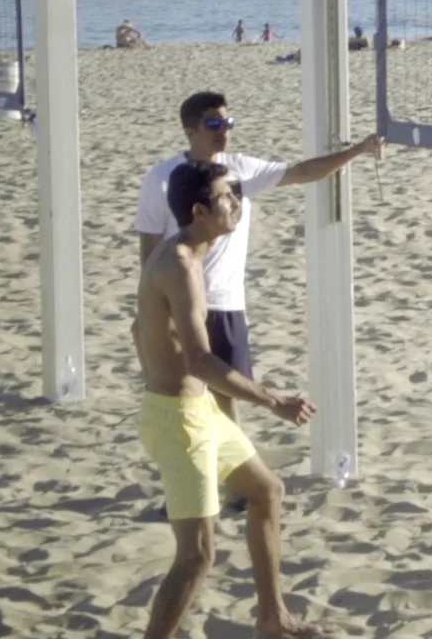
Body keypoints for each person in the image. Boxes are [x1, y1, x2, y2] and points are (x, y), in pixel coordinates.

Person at [133, 159, 323, 639]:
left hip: (196, 413)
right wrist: (271, 400)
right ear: (200, 210)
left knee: (267, 491)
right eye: (226, 197)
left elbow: (138, 329)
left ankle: (272, 619)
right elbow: (198, 359)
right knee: (197, 555)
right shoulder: (179, 266)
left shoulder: (188, 256)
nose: (236, 203)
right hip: (181, 422)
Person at [137, 92, 383, 431]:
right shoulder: (163, 178)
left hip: (225, 302)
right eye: (213, 123)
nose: (223, 130)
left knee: (227, 400)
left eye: (228, 122)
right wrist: (153, 310)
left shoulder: (239, 169)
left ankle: (236, 475)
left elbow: (304, 171)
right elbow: (149, 253)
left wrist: (358, 150)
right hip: (180, 301)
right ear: (190, 131)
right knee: (183, 395)